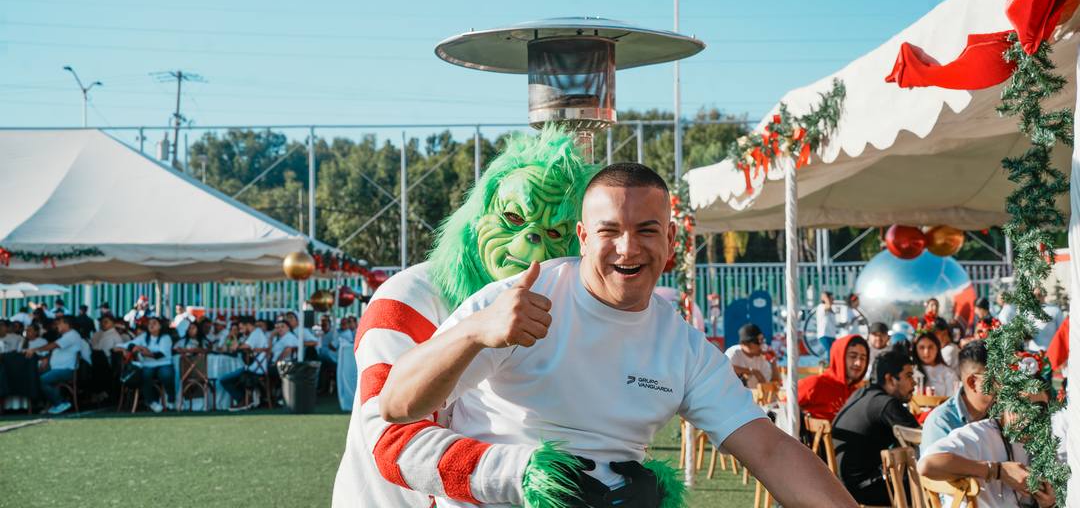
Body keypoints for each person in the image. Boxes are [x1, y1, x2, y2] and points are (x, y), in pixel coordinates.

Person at [380, 162, 858, 508]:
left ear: (670, 239)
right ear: (583, 238)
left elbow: (770, 449)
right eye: (609, 231)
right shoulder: (519, 299)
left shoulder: (683, 347)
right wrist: (473, 333)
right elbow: (397, 404)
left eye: (646, 230)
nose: (628, 248)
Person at [333, 128, 624, 508]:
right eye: (514, 217)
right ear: (476, 216)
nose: (534, 240)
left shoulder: (555, 308)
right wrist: (527, 475)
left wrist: (630, 479)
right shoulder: (409, 298)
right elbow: (392, 442)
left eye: (555, 231)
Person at [918, 391, 1060, 508]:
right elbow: (926, 465)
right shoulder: (979, 435)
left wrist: (1048, 504)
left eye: (1039, 408)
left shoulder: (1043, 444)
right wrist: (998, 470)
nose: (1028, 415)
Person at [831, 349, 920, 505]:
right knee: (927, 483)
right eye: (908, 376)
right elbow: (921, 437)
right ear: (890, 379)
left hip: (840, 485)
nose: (914, 382)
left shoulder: (862, 393)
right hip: (864, 491)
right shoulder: (886, 404)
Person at [921, 340, 993, 448]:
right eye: (999, 379)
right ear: (973, 383)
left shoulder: (1003, 414)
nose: (1008, 385)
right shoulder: (941, 423)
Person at [797, 334, 870, 422]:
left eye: (863, 358)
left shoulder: (860, 393)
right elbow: (784, 409)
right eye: (853, 356)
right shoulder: (814, 384)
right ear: (839, 357)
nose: (858, 363)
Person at [23, 315, 82, 415]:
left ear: (67, 324)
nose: (57, 325)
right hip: (56, 369)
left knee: (41, 380)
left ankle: (60, 403)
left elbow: (53, 345)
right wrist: (46, 359)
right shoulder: (66, 335)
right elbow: (54, 349)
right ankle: (49, 404)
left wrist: (34, 349)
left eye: (60, 323)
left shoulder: (72, 335)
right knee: (34, 377)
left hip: (66, 370)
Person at [119, 317, 174, 413]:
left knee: (166, 375)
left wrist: (146, 352)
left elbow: (161, 354)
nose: (151, 325)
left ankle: (171, 399)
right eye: (149, 323)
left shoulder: (166, 337)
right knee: (145, 375)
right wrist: (131, 348)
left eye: (154, 323)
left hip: (164, 363)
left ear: (160, 326)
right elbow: (130, 344)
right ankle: (151, 402)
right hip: (148, 365)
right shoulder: (144, 337)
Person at [219, 316, 269, 411]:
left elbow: (245, 346)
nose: (240, 330)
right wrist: (233, 339)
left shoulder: (256, 333)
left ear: (248, 325)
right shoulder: (252, 334)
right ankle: (244, 399)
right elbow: (232, 347)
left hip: (255, 369)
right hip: (250, 367)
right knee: (227, 378)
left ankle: (244, 400)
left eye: (241, 327)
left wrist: (237, 345)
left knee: (224, 380)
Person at [725, 323, 779, 389]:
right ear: (744, 344)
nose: (762, 345)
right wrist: (752, 371)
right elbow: (725, 369)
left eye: (762, 340)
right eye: (758, 341)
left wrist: (773, 364)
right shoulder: (734, 352)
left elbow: (772, 385)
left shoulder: (761, 358)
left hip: (752, 395)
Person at [912, 332, 960, 396]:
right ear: (916, 350)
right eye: (922, 347)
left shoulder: (948, 373)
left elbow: (952, 397)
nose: (926, 352)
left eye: (930, 347)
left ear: (937, 348)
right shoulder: (911, 371)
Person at [816, 291, 838, 363]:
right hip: (824, 334)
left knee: (834, 352)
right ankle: (829, 365)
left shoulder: (832, 310)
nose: (833, 300)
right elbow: (827, 306)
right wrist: (825, 298)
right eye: (831, 298)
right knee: (830, 351)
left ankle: (830, 364)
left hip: (832, 335)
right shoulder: (821, 306)